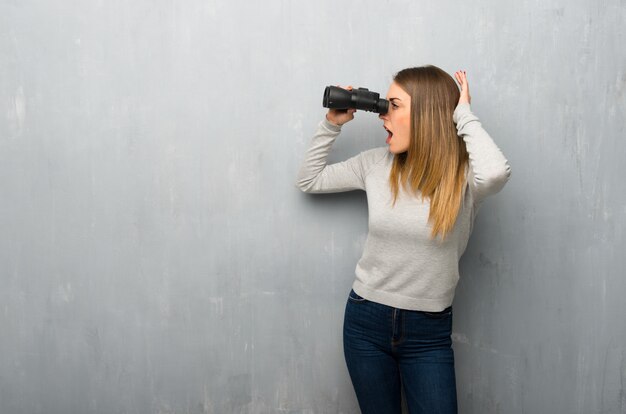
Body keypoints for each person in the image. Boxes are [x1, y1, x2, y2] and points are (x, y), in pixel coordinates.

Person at [295, 65, 511, 414]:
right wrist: (331, 125)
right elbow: (309, 179)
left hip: (429, 333)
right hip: (365, 322)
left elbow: (497, 172)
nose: (383, 116)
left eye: (393, 106)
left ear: (427, 114)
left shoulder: (464, 176)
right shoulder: (375, 165)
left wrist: (463, 114)